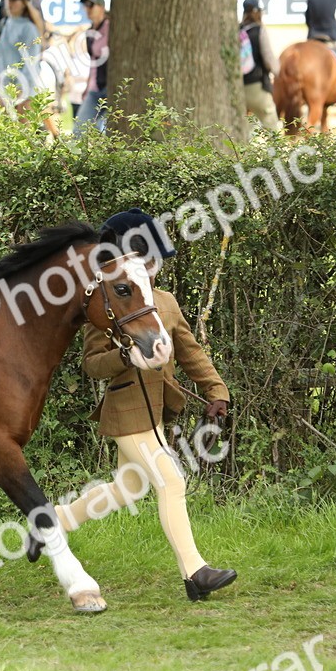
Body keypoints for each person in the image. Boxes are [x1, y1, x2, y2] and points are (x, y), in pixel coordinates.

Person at [54, 209, 238, 602]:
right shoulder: (107, 301)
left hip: (156, 411)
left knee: (127, 488)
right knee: (171, 480)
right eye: (147, 261)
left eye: (156, 262)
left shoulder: (166, 302)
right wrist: (125, 358)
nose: (153, 270)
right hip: (127, 412)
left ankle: (54, 521)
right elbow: (91, 365)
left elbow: (190, 353)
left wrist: (216, 391)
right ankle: (195, 572)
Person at [0, 0, 58, 136]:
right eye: (9, 0)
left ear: (24, 3)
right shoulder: (6, 24)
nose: (10, 3)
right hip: (5, 87)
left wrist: (20, 87)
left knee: (25, 134)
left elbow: (31, 61)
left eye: (14, 0)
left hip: (24, 89)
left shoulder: (29, 28)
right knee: (1, 133)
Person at [72, 0, 108, 138]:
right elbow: (94, 63)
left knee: (107, 132)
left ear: (101, 7)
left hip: (113, 88)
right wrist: (88, 87)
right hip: (96, 89)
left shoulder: (111, 27)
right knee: (79, 130)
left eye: (91, 5)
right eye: (85, 6)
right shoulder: (89, 33)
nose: (87, 9)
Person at [241, 0, 279, 131]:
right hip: (256, 85)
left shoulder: (238, 30)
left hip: (237, 87)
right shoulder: (259, 31)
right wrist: (277, 71)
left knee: (245, 128)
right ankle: (275, 152)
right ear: (257, 12)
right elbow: (269, 59)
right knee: (271, 124)